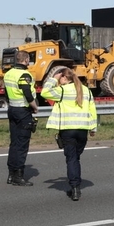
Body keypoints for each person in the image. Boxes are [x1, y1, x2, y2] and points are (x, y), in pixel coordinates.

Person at [41, 66, 98, 201]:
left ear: (64, 78)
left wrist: (52, 80)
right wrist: (93, 128)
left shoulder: (62, 90)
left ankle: (75, 188)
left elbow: (44, 92)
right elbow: (92, 110)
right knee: (76, 158)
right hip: (83, 130)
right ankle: (76, 181)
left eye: (60, 77)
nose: (58, 80)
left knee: (71, 159)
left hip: (68, 130)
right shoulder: (86, 91)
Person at [3, 50, 39, 186]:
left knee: (14, 142)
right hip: (23, 111)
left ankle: (11, 174)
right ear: (26, 60)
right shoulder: (24, 74)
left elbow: (5, 92)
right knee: (22, 144)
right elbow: (27, 93)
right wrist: (34, 107)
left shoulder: (9, 73)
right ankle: (18, 176)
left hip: (12, 109)